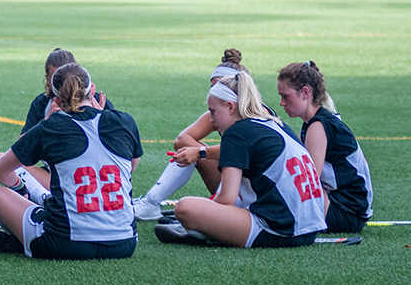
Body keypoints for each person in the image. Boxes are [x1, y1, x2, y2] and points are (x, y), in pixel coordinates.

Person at [0, 63, 142, 260]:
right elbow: (129, 169)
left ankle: (34, 217)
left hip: (63, 243)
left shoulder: (50, 127)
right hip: (125, 243)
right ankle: (45, 201)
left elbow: (1, 169)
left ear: (57, 100)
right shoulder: (125, 121)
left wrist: (21, 191)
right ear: (92, 90)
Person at [156, 71, 327, 247]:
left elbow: (227, 198)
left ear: (231, 107)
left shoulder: (237, 133)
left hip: (279, 230)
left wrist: (207, 212)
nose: (212, 120)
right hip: (310, 228)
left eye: (213, 112)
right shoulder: (276, 124)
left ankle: (202, 230)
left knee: (185, 208)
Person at [132, 49, 247, 221]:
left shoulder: (254, 118)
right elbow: (181, 140)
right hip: (233, 188)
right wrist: (200, 152)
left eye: (221, 87)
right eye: (212, 87)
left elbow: (245, 151)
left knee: (192, 215)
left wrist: (202, 152)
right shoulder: (219, 112)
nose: (214, 93)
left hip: (253, 194)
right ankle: (151, 202)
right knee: (187, 150)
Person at [278, 61, 373, 233]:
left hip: (346, 213)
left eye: (286, 96)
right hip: (345, 206)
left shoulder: (318, 126)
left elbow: (309, 182)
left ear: (305, 92)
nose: (282, 103)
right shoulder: (313, 123)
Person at [6, 49, 117, 195]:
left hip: (94, 174)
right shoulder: (43, 104)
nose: (65, 87)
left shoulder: (96, 102)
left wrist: (101, 119)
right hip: (56, 172)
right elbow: (21, 151)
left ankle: (44, 198)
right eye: (57, 80)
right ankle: (45, 197)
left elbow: (119, 151)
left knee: (3, 174)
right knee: (1, 162)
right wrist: (45, 123)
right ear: (48, 79)